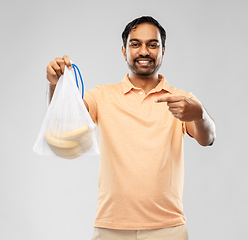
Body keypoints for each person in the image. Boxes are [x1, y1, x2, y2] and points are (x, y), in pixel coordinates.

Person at [46, 16, 216, 240]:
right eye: (135, 44)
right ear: (124, 51)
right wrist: (56, 85)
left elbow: (208, 138)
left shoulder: (181, 99)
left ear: (163, 50)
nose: (143, 51)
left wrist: (200, 114)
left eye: (152, 44)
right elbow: (66, 121)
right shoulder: (103, 96)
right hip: (111, 228)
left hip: (167, 229)